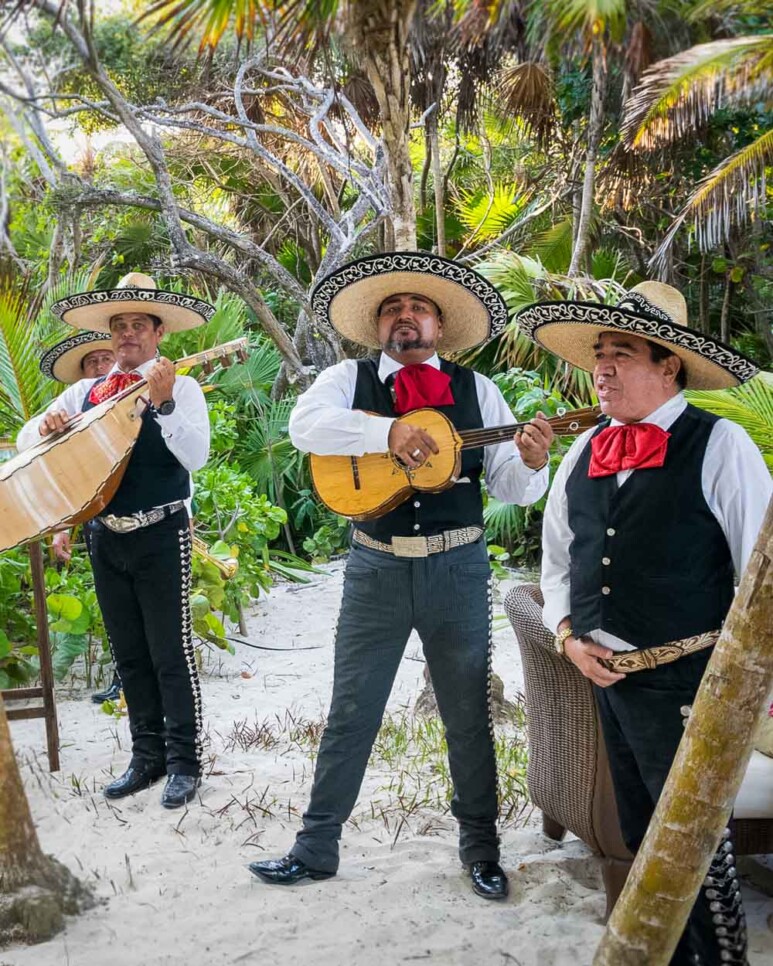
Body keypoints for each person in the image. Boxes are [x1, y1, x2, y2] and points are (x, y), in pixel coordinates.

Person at [249, 251, 554, 899]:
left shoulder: (478, 391)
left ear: (439, 327)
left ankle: (481, 849)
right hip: (375, 568)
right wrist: (386, 433)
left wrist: (532, 462)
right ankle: (315, 846)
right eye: (392, 308)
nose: (405, 316)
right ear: (378, 326)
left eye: (418, 308)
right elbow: (303, 426)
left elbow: (511, 486)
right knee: (351, 708)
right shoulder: (346, 378)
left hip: (458, 567)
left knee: (467, 713)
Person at [516, 281, 771, 964]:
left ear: (668, 366)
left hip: (692, 684)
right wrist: (567, 638)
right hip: (607, 684)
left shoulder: (719, 445)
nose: (601, 369)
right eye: (598, 355)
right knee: (640, 839)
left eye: (621, 354)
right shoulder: (584, 450)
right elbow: (556, 564)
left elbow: (762, 575)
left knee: (695, 855)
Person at [17, 272, 215, 809]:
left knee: (170, 652)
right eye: (119, 325)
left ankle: (184, 762)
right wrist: (48, 424)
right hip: (106, 537)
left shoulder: (182, 387)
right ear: (110, 334)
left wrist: (165, 405)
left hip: (162, 531)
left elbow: (195, 457)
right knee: (128, 654)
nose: (128, 333)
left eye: (138, 325)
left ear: (158, 333)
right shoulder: (84, 392)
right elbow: (28, 437)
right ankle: (146, 757)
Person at [37, 332, 125, 702]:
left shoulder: (134, 399)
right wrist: (62, 528)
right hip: (100, 525)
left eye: (106, 359)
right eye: (92, 363)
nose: (101, 367)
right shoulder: (76, 415)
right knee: (115, 609)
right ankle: (123, 680)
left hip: (153, 519)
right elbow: (69, 478)